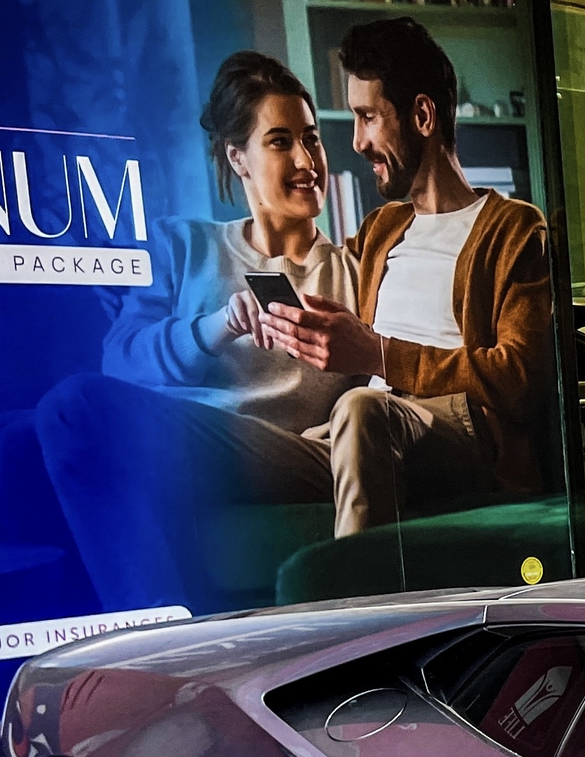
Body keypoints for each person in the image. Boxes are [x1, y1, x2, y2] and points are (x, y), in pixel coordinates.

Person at [37, 52, 357, 611]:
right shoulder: (181, 243)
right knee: (16, 443)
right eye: (280, 142)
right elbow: (122, 359)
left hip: (280, 452)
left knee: (72, 405)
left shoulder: (354, 269)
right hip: (173, 432)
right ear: (239, 157)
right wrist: (216, 327)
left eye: (312, 138)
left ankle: (163, 639)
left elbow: (384, 379)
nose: (307, 159)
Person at [261, 17, 553, 535]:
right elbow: (323, 276)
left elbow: (519, 380)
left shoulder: (515, 229)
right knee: (199, 440)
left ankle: (358, 611)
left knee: (361, 408)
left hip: (458, 433)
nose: (356, 142)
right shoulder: (382, 229)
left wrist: (376, 355)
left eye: (368, 117)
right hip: (357, 432)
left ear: (421, 115)